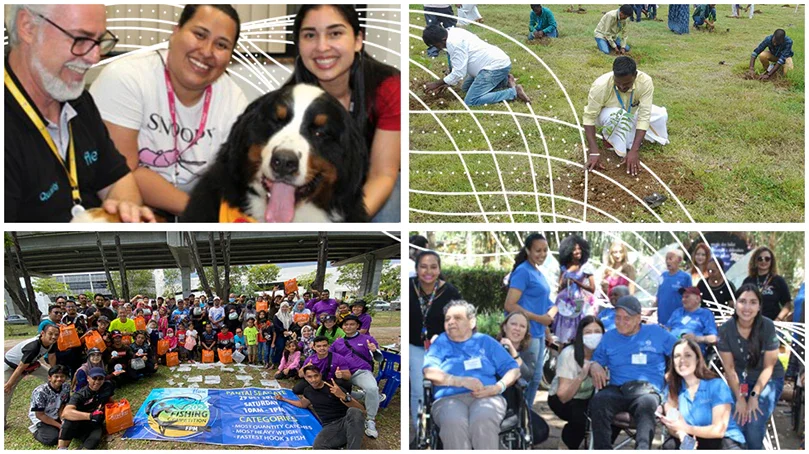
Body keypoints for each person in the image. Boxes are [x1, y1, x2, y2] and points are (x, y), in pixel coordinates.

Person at [89, 5, 247, 218]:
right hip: (127, 210)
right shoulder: (127, 78)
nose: (207, 51)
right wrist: (199, 211)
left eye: (221, 45)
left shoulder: (234, 100)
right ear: (175, 32)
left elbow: (236, 182)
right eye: (199, 35)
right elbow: (121, 175)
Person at [4, 5, 154, 222]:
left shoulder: (78, 99)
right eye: (80, 39)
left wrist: (124, 210)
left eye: (99, 41)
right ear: (28, 27)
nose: (95, 57)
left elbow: (118, 181)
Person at [290, 5, 401, 221]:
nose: (322, 47)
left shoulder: (387, 87)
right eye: (310, 35)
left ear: (358, 39)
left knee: (393, 201)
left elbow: (383, 174)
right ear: (299, 44)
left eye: (335, 33)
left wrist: (345, 223)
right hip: (321, 189)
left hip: (374, 183)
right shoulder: (288, 101)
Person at [423, 300, 521, 449]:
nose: (451, 322)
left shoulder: (486, 342)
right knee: (453, 422)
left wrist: (498, 387)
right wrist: (459, 381)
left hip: (487, 396)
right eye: (447, 319)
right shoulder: (441, 343)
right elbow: (429, 371)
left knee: (483, 419)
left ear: (472, 322)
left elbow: (514, 369)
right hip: (448, 399)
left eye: (457, 318)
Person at [589, 295, 677, 449]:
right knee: (598, 401)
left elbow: (681, 351)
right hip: (618, 390)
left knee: (647, 405)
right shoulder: (609, 337)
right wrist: (594, 365)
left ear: (638, 318)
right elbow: (595, 360)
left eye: (626, 318)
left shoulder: (657, 333)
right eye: (618, 317)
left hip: (648, 391)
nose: (621, 322)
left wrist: (672, 373)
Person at [716, 284, 784, 450]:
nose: (747, 307)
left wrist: (753, 396)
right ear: (735, 303)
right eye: (742, 301)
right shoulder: (725, 330)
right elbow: (730, 369)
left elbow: (769, 367)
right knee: (737, 422)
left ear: (759, 306)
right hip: (740, 380)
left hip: (768, 379)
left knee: (753, 422)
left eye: (753, 302)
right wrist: (740, 399)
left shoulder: (767, 326)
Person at [584, 56, 669, 176]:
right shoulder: (600, 86)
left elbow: (644, 115)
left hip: (631, 111)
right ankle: (610, 138)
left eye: (627, 83)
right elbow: (589, 117)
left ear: (635, 75)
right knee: (619, 117)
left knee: (660, 114)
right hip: (607, 114)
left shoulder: (645, 82)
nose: (622, 87)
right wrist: (593, 151)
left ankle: (632, 140)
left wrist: (634, 150)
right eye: (618, 83)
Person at [660, 338, 747, 449]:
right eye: (677, 356)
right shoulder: (672, 389)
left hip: (724, 440)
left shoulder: (717, 385)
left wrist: (685, 428)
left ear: (697, 359)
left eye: (687, 355)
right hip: (693, 439)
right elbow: (674, 425)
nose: (682, 360)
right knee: (670, 445)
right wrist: (684, 437)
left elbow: (719, 430)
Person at [503, 233, 556, 407]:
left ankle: (527, 416)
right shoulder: (523, 271)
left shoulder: (537, 272)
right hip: (526, 333)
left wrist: (546, 329)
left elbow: (541, 304)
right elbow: (510, 305)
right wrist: (540, 319)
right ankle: (519, 416)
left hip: (539, 333)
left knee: (535, 379)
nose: (542, 254)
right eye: (538, 250)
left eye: (545, 250)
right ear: (527, 251)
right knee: (525, 378)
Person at [422, 25, 531, 106]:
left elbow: (459, 73)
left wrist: (437, 83)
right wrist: (447, 81)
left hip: (493, 67)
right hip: (491, 65)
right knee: (465, 89)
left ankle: (513, 92)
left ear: (442, 40)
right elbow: (455, 63)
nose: (437, 48)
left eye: (436, 45)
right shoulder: (452, 31)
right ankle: (504, 81)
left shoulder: (454, 43)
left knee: (471, 100)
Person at [548, 316, 605, 449]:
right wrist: (581, 376)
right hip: (564, 398)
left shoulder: (604, 353)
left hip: (589, 398)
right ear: (580, 334)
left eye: (597, 332)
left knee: (607, 415)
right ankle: (566, 446)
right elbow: (563, 396)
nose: (593, 336)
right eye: (588, 332)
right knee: (581, 418)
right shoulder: (570, 354)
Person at [277, 365, 366, 449]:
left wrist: (343, 396)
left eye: (316, 376)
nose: (313, 379)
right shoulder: (308, 391)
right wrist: (284, 399)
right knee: (318, 446)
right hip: (330, 427)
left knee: (354, 411)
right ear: (305, 378)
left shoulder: (333, 387)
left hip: (347, 420)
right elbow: (302, 404)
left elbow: (361, 410)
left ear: (320, 375)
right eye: (309, 377)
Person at [496, 311, 551, 446]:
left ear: (526, 332)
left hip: (516, 404)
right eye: (513, 324)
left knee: (541, 430)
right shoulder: (492, 347)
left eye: (522, 326)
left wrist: (512, 351)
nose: (517, 328)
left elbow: (526, 375)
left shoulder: (528, 354)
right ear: (504, 327)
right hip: (494, 399)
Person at [330, 314, 384, 438]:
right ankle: (364, 396)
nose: (348, 327)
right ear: (342, 327)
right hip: (344, 372)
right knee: (331, 389)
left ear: (357, 326)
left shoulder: (367, 339)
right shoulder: (338, 342)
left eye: (352, 324)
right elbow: (330, 356)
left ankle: (370, 419)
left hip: (361, 372)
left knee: (372, 389)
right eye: (346, 324)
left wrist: (374, 350)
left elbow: (379, 358)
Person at [4, 325, 59, 427]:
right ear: (42, 333)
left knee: (56, 380)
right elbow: (20, 367)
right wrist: (9, 384)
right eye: (50, 334)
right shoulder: (33, 346)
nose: (53, 337)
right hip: (11, 367)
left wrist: (55, 373)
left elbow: (52, 356)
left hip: (31, 363)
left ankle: (56, 407)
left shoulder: (52, 343)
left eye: (56, 334)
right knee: (5, 393)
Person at [56, 367, 115, 450]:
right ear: (88, 378)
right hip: (78, 422)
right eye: (94, 378)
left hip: (94, 423)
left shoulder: (107, 386)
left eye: (100, 379)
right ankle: (62, 449)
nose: (97, 382)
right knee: (68, 421)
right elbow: (66, 413)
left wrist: (116, 409)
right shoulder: (80, 395)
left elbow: (109, 399)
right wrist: (90, 416)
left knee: (95, 440)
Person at [554, 235, 597, 344]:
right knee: (563, 331)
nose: (578, 251)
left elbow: (592, 288)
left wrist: (577, 282)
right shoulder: (564, 267)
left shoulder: (585, 267)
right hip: (564, 301)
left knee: (577, 327)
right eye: (574, 249)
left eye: (579, 248)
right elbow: (560, 286)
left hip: (578, 300)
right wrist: (564, 284)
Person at [742, 246, 792, 322]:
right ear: (755, 260)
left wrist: (778, 319)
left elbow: (787, 304)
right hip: (751, 324)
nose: (763, 261)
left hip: (773, 323)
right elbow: (742, 302)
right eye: (760, 259)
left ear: (771, 261)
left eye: (767, 259)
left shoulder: (778, 280)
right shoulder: (748, 281)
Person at [664, 287, 718, 353]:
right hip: (670, 348)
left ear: (697, 299)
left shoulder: (705, 314)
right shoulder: (677, 312)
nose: (683, 300)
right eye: (682, 297)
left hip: (691, 350)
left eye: (687, 297)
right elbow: (668, 329)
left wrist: (696, 339)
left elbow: (714, 338)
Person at [27, 364, 70, 446]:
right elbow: (40, 415)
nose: (59, 379)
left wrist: (62, 419)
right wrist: (59, 426)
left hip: (55, 413)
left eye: (62, 376)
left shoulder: (66, 387)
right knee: (52, 439)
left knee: (70, 431)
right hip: (41, 417)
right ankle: (35, 430)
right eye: (56, 376)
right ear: (49, 378)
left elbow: (62, 405)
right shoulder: (40, 392)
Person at [656, 249, 692, 326]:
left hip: (677, 320)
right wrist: (649, 312)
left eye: (670, 258)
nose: (668, 261)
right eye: (666, 259)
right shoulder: (663, 276)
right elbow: (659, 296)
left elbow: (690, 298)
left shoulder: (685, 277)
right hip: (662, 319)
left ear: (679, 260)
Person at [272, 302, 295, 367]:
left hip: (288, 334)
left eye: (286, 307)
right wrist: (283, 331)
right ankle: (276, 362)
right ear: (280, 307)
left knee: (288, 348)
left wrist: (291, 331)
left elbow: (292, 324)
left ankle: (286, 361)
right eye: (283, 307)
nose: (284, 308)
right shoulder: (277, 315)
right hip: (280, 334)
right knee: (280, 347)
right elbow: (276, 325)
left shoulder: (289, 315)